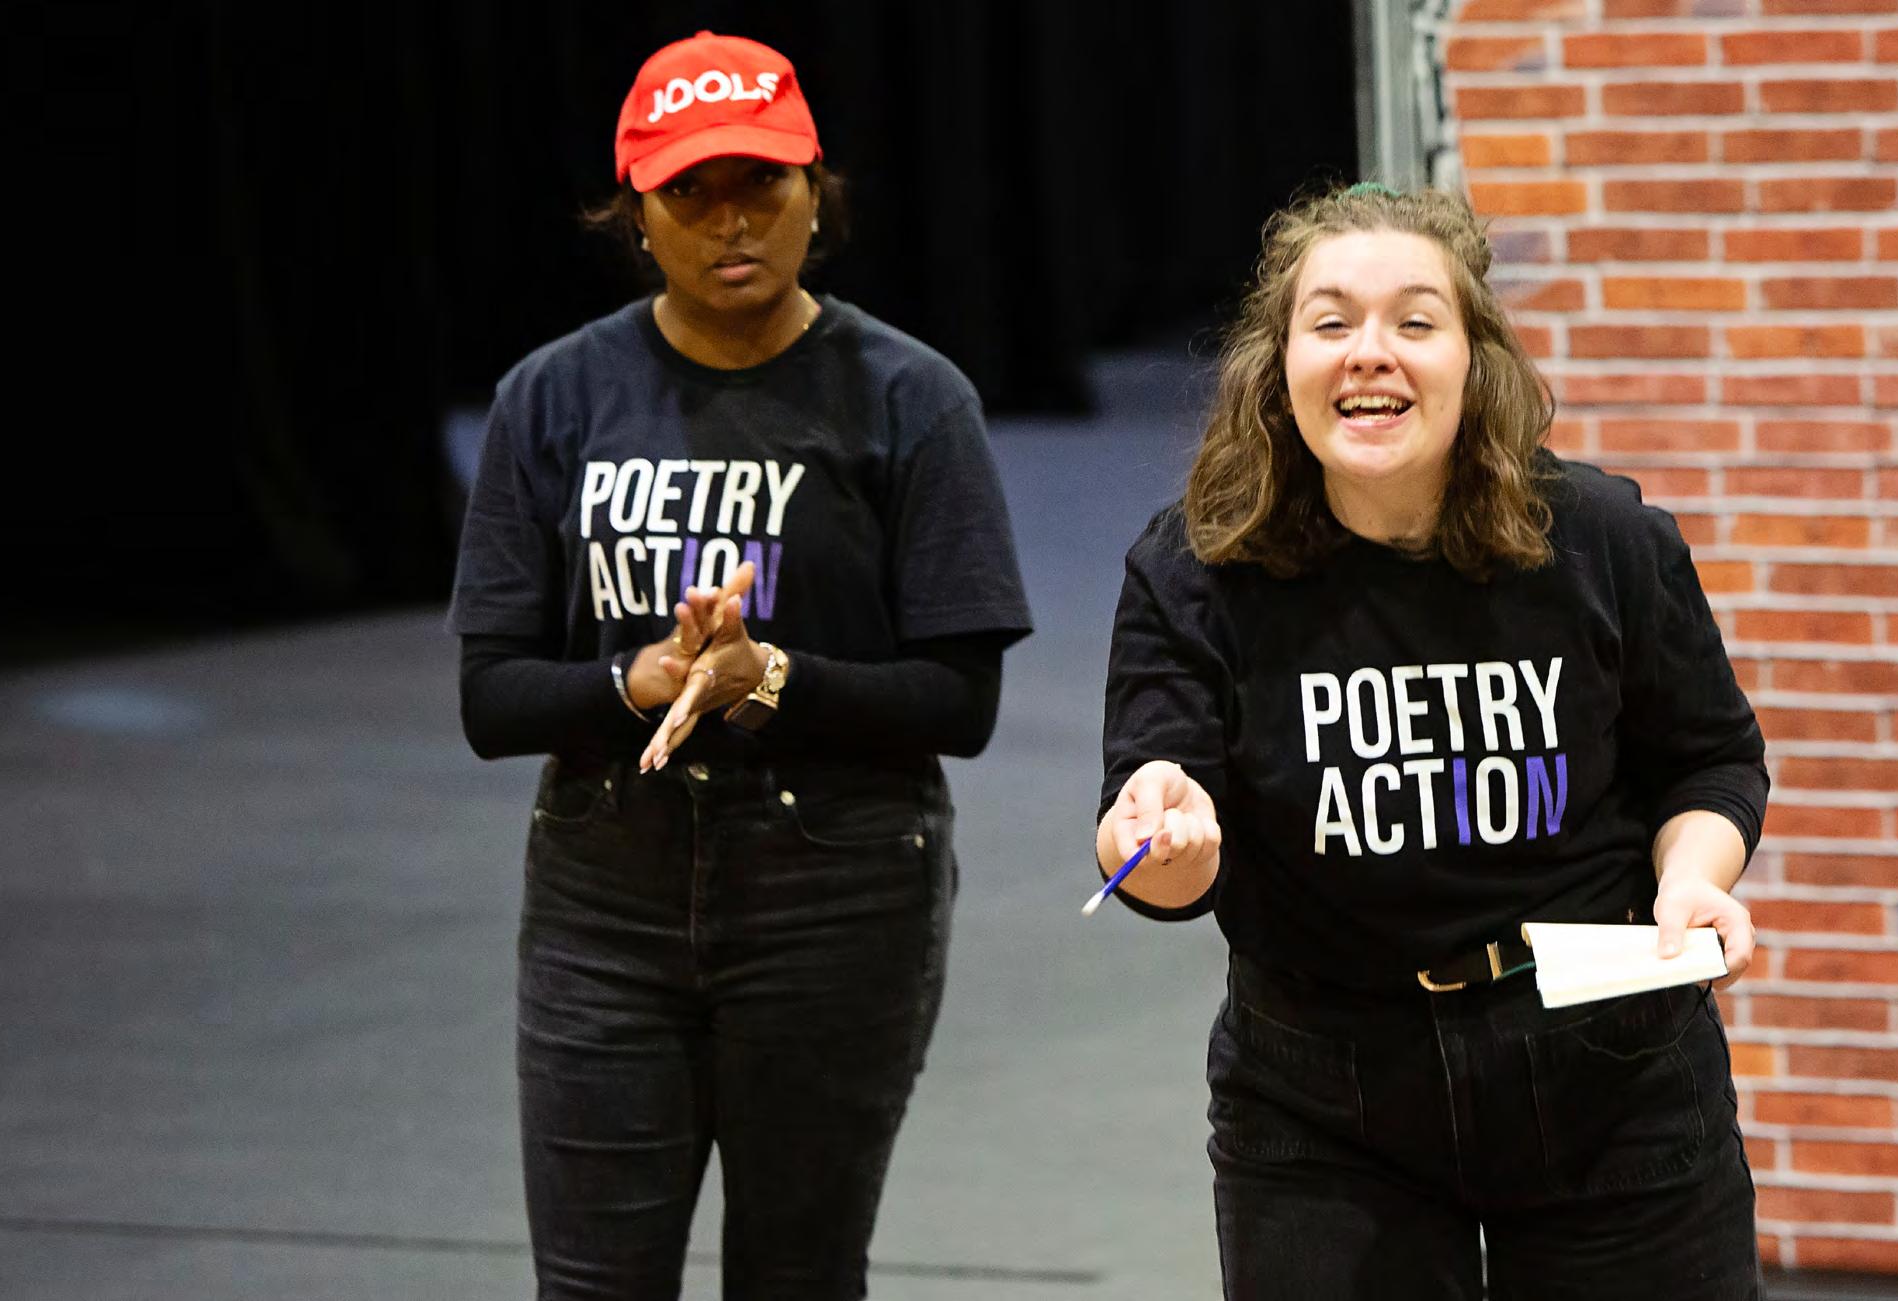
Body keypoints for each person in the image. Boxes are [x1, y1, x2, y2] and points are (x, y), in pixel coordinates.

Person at [1094, 183, 1770, 1299]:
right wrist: (1161, 840)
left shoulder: (1602, 538)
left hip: (1609, 1062)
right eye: (1330, 322)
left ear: (1474, 360)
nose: (1371, 352)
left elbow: (1709, 759)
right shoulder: (1197, 566)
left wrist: (1691, 877)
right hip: (1322, 1091)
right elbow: (1161, 856)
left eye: (1414, 320)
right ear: (1277, 366)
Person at [446, 31, 1030, 1300]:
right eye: (690, 192)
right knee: (593, 1281)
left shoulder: (913, 399)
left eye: (761, 183)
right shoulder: (550, 398)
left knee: (799, 1273)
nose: (730, 221)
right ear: (633, 212)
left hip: (837, 892)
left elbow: (960, 699)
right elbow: (491, 695)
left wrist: (765, 679)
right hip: (604, 895)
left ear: (817, 189)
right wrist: (641, 679)